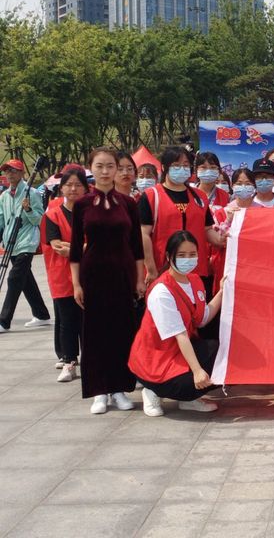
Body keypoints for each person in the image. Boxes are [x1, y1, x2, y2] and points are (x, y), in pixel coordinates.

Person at [70, 147, 145, 414]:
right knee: (94, 333)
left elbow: (137, 246)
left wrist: (139, 279)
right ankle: (99, 391)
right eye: (99, 166)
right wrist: (76, 284)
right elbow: (75, 249)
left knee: (121, 331)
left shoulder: (128, 204)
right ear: (91, 168)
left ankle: (119, 388)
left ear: (117, 169)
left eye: (110, 166)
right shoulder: (82, 205)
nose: (105, 171)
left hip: (123, 274)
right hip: (93, 274)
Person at [128, 230, 223, 416]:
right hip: (156, 362)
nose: (188, 259)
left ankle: (188, 399)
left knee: (223, 356)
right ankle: (153, 390)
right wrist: (197, 371)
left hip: (178, 352)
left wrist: (222, 292)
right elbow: (180, 335)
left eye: (192, 254)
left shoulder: (194, 280)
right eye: (182, 255)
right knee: (207, 372)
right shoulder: (161, 292)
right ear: (169, 256)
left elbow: (202, 319)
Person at [139, 147, 223, 291]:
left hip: (195, 268)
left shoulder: (200, 197)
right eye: (176, 165)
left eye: (185, 165)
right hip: (162, 269)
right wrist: (151, 269)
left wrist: (222, 240)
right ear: (164, 167)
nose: (182, 169)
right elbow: (143, 234)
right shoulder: (151, 196)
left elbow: (207, 229)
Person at [43, 168, 89, 382]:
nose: (73, 189)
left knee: (88, 321)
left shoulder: (91, 213)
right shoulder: (52, 215)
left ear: (86, 189)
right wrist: (84, 247)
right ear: (61, 189)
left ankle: (91, 361)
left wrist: (75, 247)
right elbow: (57, 246)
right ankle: (69, 361)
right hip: (62, 275)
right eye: (69, 185)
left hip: (88, 274)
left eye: (78, 185)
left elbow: (97, 242)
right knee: (67, 321)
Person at [0, 159, 51, 332]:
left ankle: (3, 321)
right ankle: (41, 314)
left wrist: (28, 210)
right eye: (7, 171)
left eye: (13, 171)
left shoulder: (32, 193)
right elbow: (1, 220)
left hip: (27, 242)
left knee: (14, 279)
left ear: (22, 173)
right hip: (11, 243)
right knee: (26, 280)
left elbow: (40, 219)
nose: (10, 174)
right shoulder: (4, 196)